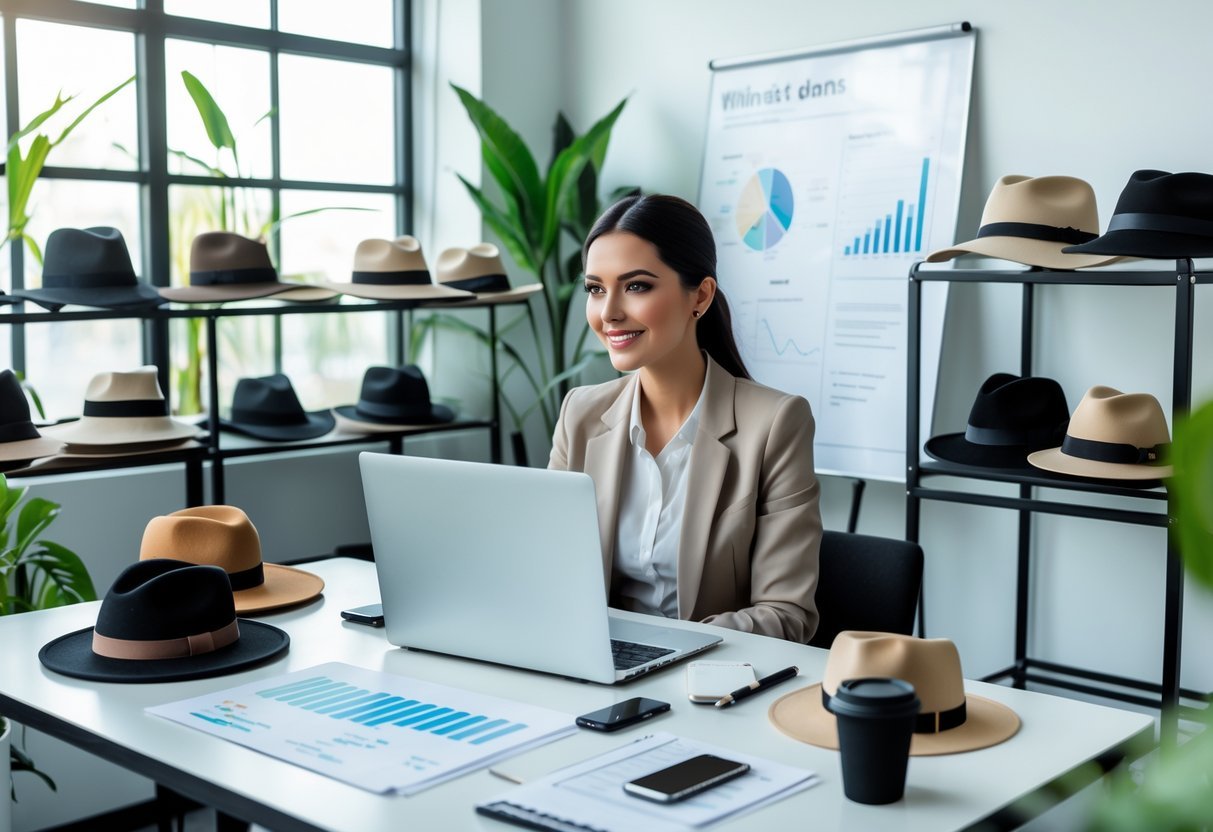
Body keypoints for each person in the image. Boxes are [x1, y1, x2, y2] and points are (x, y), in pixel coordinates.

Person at [549, 194, 822, 643]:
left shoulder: (775, 424)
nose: (609, 312)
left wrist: (668, 646)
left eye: (636, 286)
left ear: (700, 296)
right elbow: (549, 570)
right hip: (590, 665)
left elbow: (786, 615)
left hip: (710, 681)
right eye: (596, 288)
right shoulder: (580, 414)